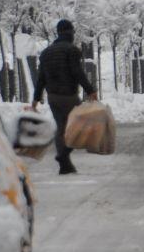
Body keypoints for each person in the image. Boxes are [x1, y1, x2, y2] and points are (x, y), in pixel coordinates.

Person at [30, 19, 97, 175]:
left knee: (62, 128)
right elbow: (77, 72)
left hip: (53, 97)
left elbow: (41, 78)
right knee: (79, 125)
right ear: (69, 32)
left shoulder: (46, 53)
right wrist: (90, 90)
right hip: (69, 96)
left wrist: (36, 97)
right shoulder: (71, 50)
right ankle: (63, 155)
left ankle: (65, 166)